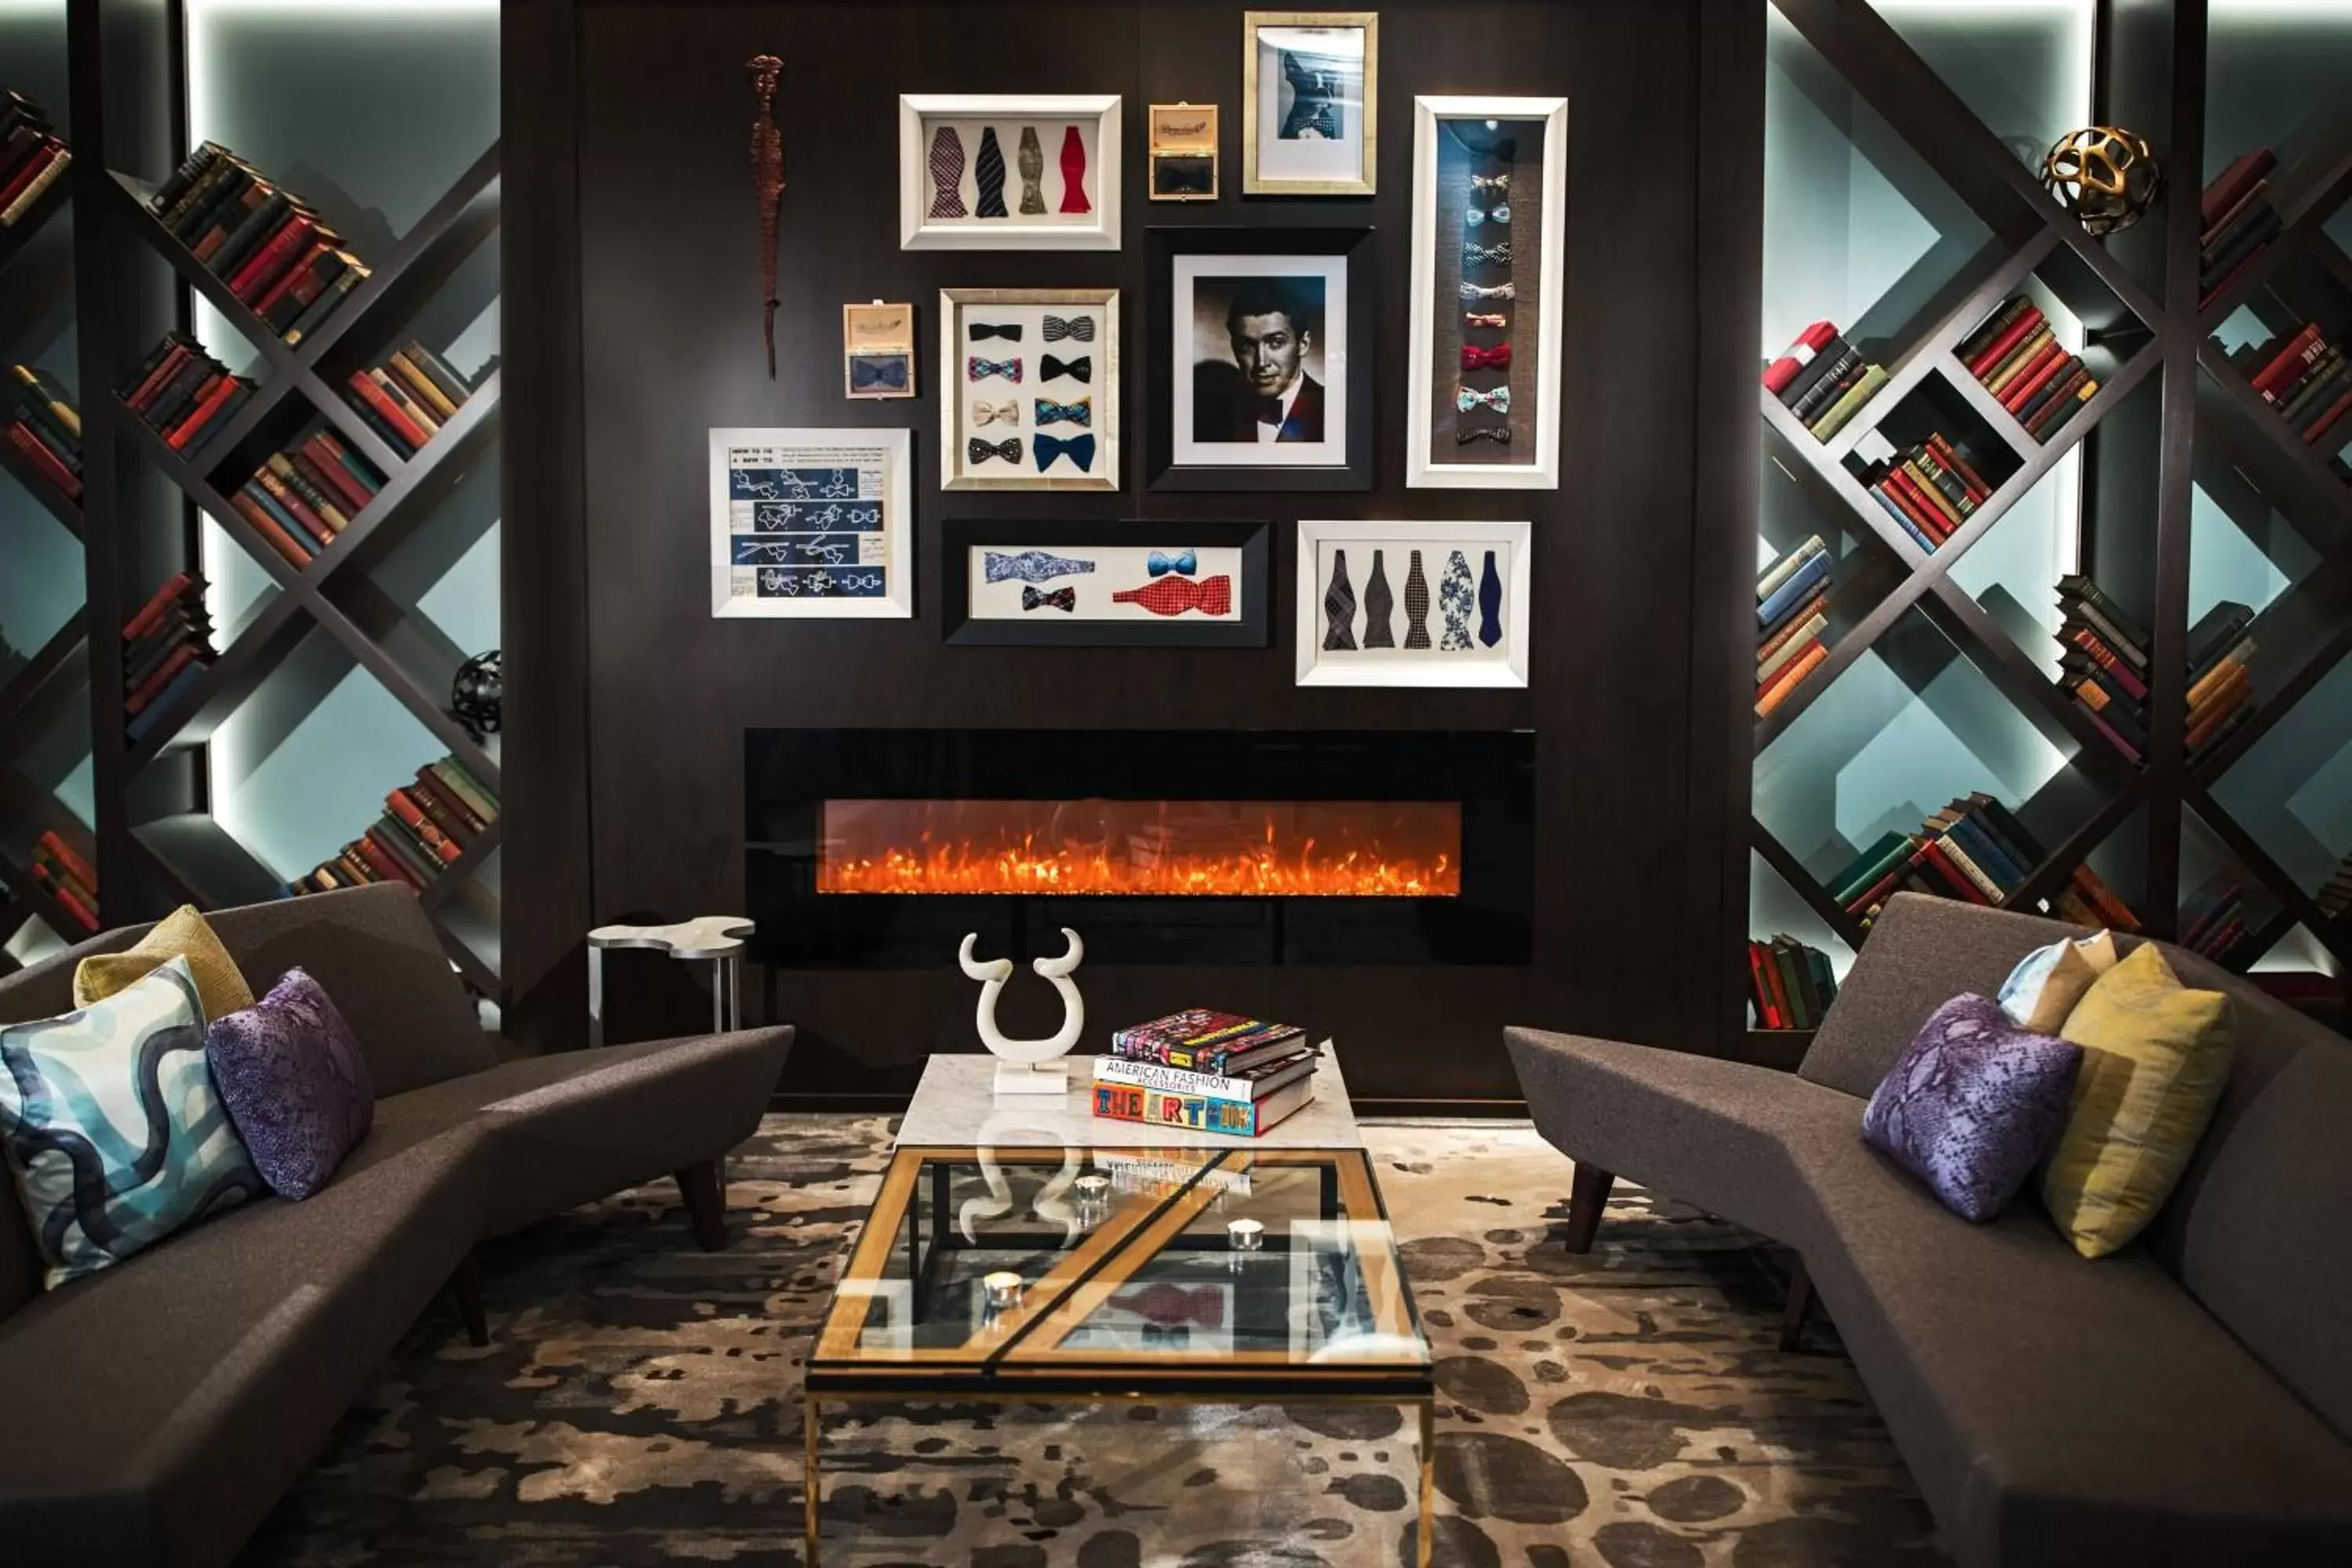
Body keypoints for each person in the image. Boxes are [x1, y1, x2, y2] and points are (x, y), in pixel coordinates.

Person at [1194, 281, 1324, 444]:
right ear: (1234, 347)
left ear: (1303, 344)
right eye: (1247, 346)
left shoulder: (1334, 413)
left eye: (1276, 342)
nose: (1261, 362)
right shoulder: (1213, 417)